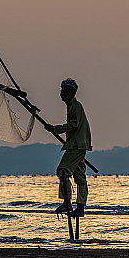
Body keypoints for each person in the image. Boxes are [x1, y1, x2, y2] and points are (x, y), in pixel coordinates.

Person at [43, 78, 92, 218]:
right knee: (80, 179)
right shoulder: (71, 106)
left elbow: (74, 125)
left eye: (65, 91)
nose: (62, 93)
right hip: (78, 145)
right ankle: (80, 208)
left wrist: (55, 129)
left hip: (76, 146)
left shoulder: (76, 106)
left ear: (72, 92)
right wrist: (55, 129)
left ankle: (67, 203)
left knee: (63, 171)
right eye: (61, 90)